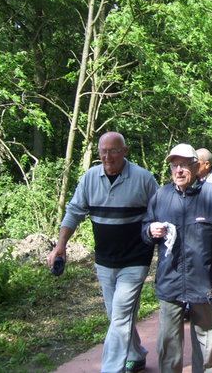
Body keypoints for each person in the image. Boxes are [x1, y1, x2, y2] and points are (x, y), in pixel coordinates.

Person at [47, 131, 159, 373]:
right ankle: (136, 355)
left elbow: (162, 211)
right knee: (116, 315)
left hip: (135, 259)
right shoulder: (89, 178)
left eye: (114, 151)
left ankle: (111, 369)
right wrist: (61, 244)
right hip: (105, 261)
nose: (107, 157)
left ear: (125, 152)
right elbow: (74, 211)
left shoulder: (143, 179)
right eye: (103, 151)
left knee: (120, 316)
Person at [141, 143, 212, 373]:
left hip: (207, 282)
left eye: (184, 165)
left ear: (197, 167)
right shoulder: (161, 196)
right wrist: (150, 231)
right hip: (170, 281)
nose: (178, 170)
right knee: (168, 345)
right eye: (174, 165)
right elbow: (144, 229)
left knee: (205, 344)